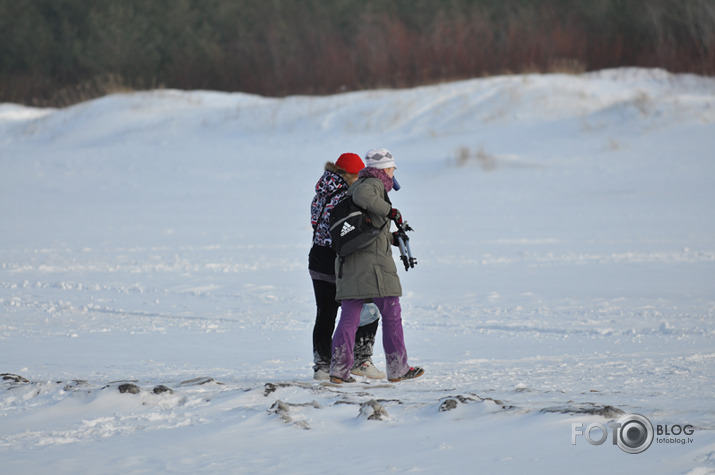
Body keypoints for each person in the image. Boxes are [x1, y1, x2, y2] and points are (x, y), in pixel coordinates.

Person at [330, 147, 424, 383]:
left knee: (350, 316)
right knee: (392, 313)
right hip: (375, 267)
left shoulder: (360, 183)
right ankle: (398, 368)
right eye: (392, 168)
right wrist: (392, 211)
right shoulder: (372, 184)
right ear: (384, 169)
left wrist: (391, 237)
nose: (394, 173)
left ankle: (339, 370)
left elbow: (368, 227)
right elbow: (365, 199)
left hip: (353, 263)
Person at [310, 153, 386, 381]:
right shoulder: (347, 195)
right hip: (339, 261)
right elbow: (349, 230)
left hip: (317, 258)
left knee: (325, 314)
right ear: (353, 175)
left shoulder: (321, 192)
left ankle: (322, 366)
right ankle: (361, 359)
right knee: (369, 308)